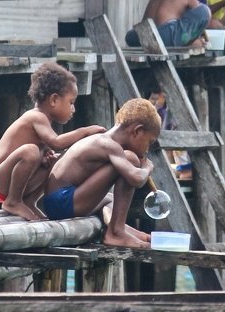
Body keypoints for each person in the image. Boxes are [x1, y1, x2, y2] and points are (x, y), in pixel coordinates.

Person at [0, 62, 105, 221]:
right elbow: (56, 142)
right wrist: (85, 131)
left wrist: (45, 156)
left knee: (54, 159)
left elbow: (50, 149)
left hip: (9, 180)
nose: (73, 109)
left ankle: (29, 201)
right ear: (54, 100)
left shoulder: (44, 121)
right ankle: (13, 202)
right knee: (30, 151)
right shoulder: (36, 117)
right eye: (71, 102)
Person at [42, 96, 162, 249]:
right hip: (62, 202)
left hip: (58, 202)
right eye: (149, 142)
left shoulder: (104, 142)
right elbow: (136, 179)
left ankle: (122, 229)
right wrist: (147, 167)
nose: (147, 149)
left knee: (111, 199)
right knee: (131, 159)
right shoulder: (108, 145)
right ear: (137, 131)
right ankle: (116, 232)